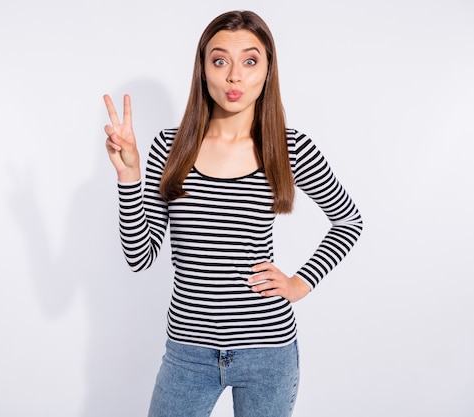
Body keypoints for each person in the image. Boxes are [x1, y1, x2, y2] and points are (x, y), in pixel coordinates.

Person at [102, 9, 363, 417]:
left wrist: (299, 284)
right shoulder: (169, 148)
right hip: (187, 354)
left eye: (250, 60)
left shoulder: (290, 148)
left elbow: (349, 221)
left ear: (267, 71)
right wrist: (129, 179)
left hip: (268, 353)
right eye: (220, 60)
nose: (234, 76)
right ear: (203, 70)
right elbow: (140, 257)